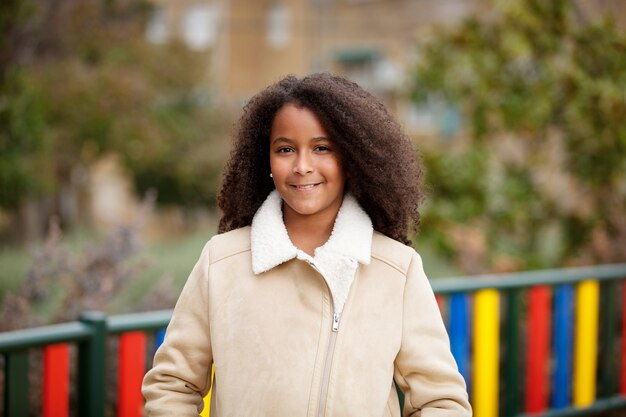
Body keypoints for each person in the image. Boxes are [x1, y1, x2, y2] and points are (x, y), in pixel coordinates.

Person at [142, 73, 472, 417]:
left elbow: (440, 401)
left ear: (352, 158)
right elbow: (173, 386)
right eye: (285, 149)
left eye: (322, 148)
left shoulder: (398, 270)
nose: (302, 166)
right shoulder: (221, 262)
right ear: (264, 159)